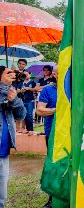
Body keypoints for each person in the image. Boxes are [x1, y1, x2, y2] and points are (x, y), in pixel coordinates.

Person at [0, 67, 26, 208]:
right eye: (7, 73)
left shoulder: (10, 92)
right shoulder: (4, 90)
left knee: (2, 196)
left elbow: (21, 115)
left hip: (3, 152)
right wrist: (4, 86)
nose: (12, 75)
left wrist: (14, 100)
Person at [36, 66, 58, 208]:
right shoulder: (48, 90)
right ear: (54, 74)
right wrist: (57, 109)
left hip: (75, 134)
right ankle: (52, 199)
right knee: (54, 165)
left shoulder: (76, 88)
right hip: (53, 134)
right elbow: (40, 110)